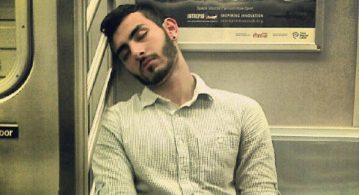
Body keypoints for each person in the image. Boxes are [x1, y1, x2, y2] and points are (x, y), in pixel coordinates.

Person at [93, 3, 280, 195]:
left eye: (141, 36)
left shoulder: (243, 112)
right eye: (125, 54)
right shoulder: (117, 124)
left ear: (171, 30)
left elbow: (261, 190)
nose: (136, 52)